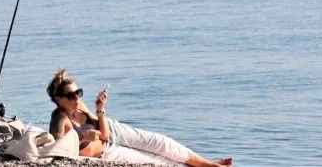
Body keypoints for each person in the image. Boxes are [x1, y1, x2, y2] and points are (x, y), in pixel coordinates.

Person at [47, 68, 232, 167]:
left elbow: (103, 134)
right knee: (154, 161)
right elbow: (55, 146)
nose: (76, 98)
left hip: (112, 131)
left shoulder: (79, 105)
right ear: (58, 99)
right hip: (105, 151)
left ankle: (207, 164)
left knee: (162, 143)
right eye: (70, 96)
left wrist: (100, 109)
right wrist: (82, 138)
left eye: (78, 93)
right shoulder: (60, 117)